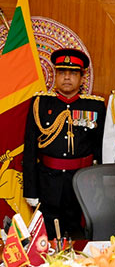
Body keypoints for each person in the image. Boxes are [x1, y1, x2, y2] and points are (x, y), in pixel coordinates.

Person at [23, 48, 106, 239]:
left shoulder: (95, 106)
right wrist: (31, 190)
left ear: (82, 78)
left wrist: (100, 191)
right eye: (62, 72)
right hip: (48, 184)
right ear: (54, 75)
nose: (67, 78)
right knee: (48, 239)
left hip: (83, 185)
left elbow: (100, 150)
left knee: (80, 238)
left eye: (73, 73)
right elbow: (30, 151)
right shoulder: (40, 104)